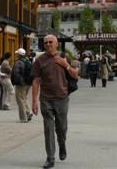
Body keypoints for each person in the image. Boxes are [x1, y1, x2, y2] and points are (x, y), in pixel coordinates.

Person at [31, 34, 79, 169]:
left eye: (51, 42)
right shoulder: (39, 61)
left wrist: (66, 65)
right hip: (46, 99)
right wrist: (34, 101)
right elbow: (35, 82)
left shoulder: (64, 58)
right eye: (46, 43)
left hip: (62, 98)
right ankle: (50, 157)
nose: (48, 44)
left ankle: (62, 144)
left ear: (56, 44)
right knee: (48, 129)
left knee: (61, 128)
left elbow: (75, 75)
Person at [11, 48, 33, 122]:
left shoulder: (18, 62)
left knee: (20, 100)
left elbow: (16, 73)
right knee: (24, 98)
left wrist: (17, 82)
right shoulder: (28, 61)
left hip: (21, 84)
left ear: (19, 55)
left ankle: (23, 117)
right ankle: (28, 111)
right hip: (28, 83)